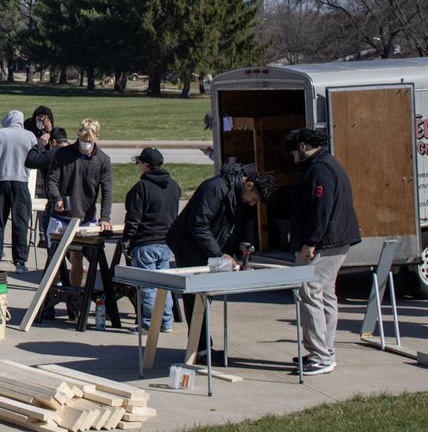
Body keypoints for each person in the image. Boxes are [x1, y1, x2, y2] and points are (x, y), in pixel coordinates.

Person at [166, 164, 276, 362]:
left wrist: (240, 245)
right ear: (249, 184)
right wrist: (219, 254)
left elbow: (233, 227)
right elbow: (198, 224)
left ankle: (202, 347)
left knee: (203, 298)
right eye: (254, 199)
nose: (252, 203)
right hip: (189, 247)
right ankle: (200, 349)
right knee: (195, 297)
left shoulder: (239, 196)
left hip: (206, 247)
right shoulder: (215, 188)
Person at [283, 128, 360, 376]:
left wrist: (311, 241)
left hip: (326, 242)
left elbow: (321, 208)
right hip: (334, 240)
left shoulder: (319, 169)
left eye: (294, 152)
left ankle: (321, 355)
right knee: (326, 294)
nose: (294, 158)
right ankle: (324, 351)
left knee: (310, 290)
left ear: (303, 146)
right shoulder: (326, 163)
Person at [47, 118, 113, 287]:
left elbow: (107, 191)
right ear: (78, 135)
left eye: (89, 141)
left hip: (85, 218)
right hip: (62, 217)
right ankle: (46, 303)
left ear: (97, 138)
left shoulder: (103, 160)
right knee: (55, 261)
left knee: (77, 258)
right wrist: (57, 199)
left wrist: (105, 218)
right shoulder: (63, 154)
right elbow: (52, 180)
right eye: (83, 140)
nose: (86, 144)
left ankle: (75, 299)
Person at [122, 147, 181, 332]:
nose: (139, 166)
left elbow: (134, 217)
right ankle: (165, 322)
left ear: (146, 165)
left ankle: (148, 324)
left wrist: (127, 239)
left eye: (140, 163)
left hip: (145, 243)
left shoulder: (142, 187)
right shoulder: (173, 186)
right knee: (164, 286)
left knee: (148, 287)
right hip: (166, 242)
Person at [0, 110, 38, 272]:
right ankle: (20, 262)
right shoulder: (30, 136)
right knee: (21, 223)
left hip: (1, 180)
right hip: (21, 182)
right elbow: (33, 157)